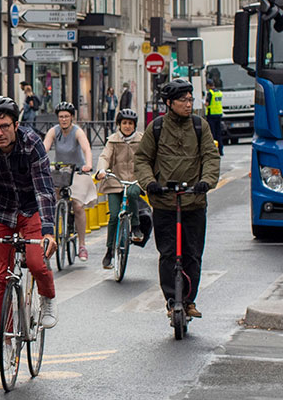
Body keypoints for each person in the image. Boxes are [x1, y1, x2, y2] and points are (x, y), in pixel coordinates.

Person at [0, 96, 60, 329]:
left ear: (16, 126)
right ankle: (5, 343)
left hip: (31, 209)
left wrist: (48, 231)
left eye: (4, 126)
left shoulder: (31, 143)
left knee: (37, 263)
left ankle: (48, 298)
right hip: (0, 212)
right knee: (0, 278)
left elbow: (44, 188)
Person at [135, 78, 220, 321]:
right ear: (170, 103)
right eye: (183, 100)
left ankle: (189, 301)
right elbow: (142, 159)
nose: (188, 104)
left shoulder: (199, 126)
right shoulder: (157, 127)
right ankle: (173, 301)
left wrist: (206, 181)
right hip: (164, 203)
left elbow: (211, 157)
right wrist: (150, 183)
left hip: (193, 201)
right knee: (169, 254)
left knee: (193, 253)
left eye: (191, 99)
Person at [42, 101, 96, 261]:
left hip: (78, 171)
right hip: (61, 171)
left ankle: (82, 245)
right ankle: (53, 234)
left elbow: (86, 148)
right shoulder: (54, 131)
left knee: (78, 206)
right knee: (52, 203)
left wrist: (88, 164)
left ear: (72, 117)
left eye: (66, 116)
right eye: (61, 117)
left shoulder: (77, 132)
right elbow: (44, 147)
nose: (64, 119)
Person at [96, 106, 149, 266]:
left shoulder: (142, 140)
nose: (127, 126)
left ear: (134, 125)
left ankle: (136, 227)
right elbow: (105, 156)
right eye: (124, 123)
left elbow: (148, 158)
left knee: (133, 193)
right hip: (115, 182)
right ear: (119, 124)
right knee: (113, 216)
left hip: (135, 180)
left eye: (130, 123)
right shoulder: (113, 140)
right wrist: (101, 170)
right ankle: (109, 251)